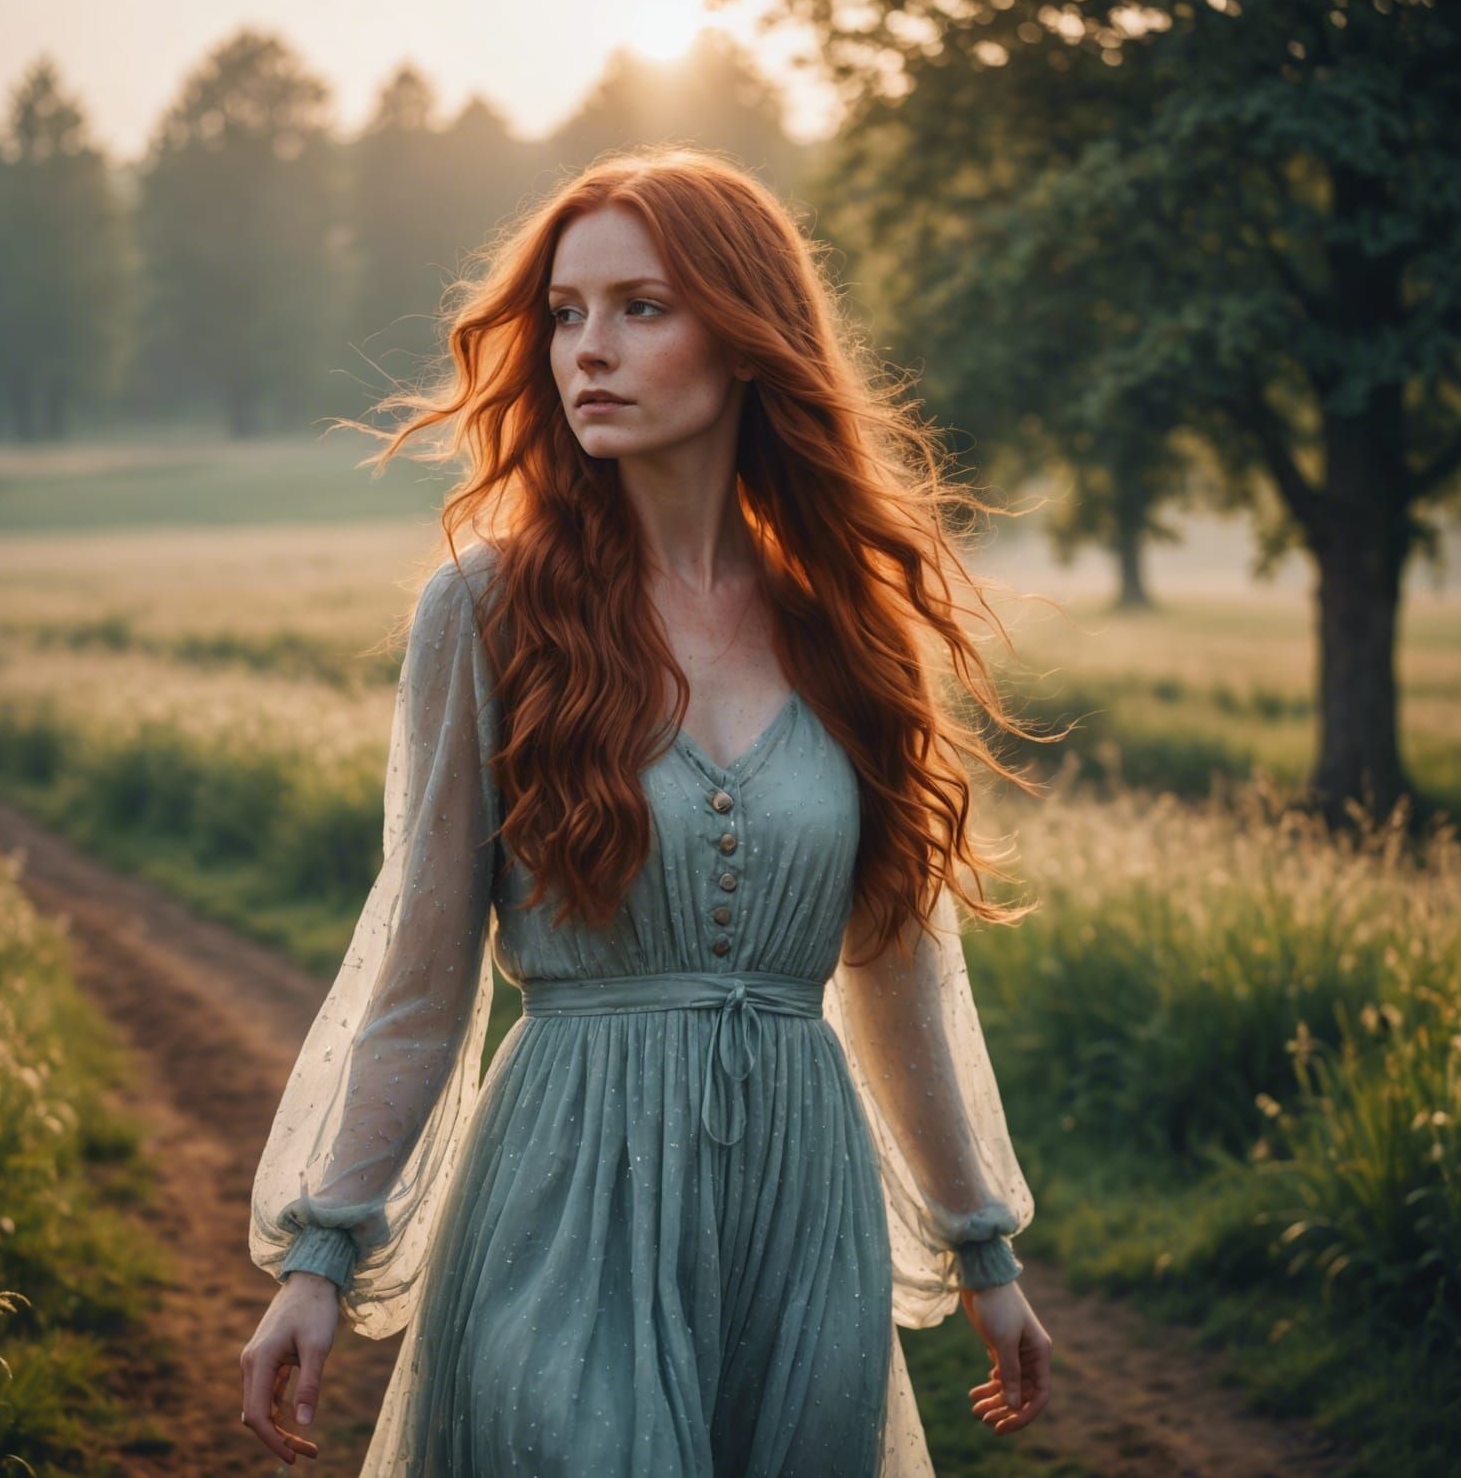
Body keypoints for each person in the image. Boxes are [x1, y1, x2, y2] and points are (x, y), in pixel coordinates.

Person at [240, 144, 1054, 1476]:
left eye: (640, 308)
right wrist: (324, 1252)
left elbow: (896, 962)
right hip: (569, 1184)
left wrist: (981, 1247)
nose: (587, 352)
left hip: (802, 1209)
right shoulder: (490, 611)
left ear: (746, 340)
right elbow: (423, 966)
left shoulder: (848, 627)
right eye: (565, 314)